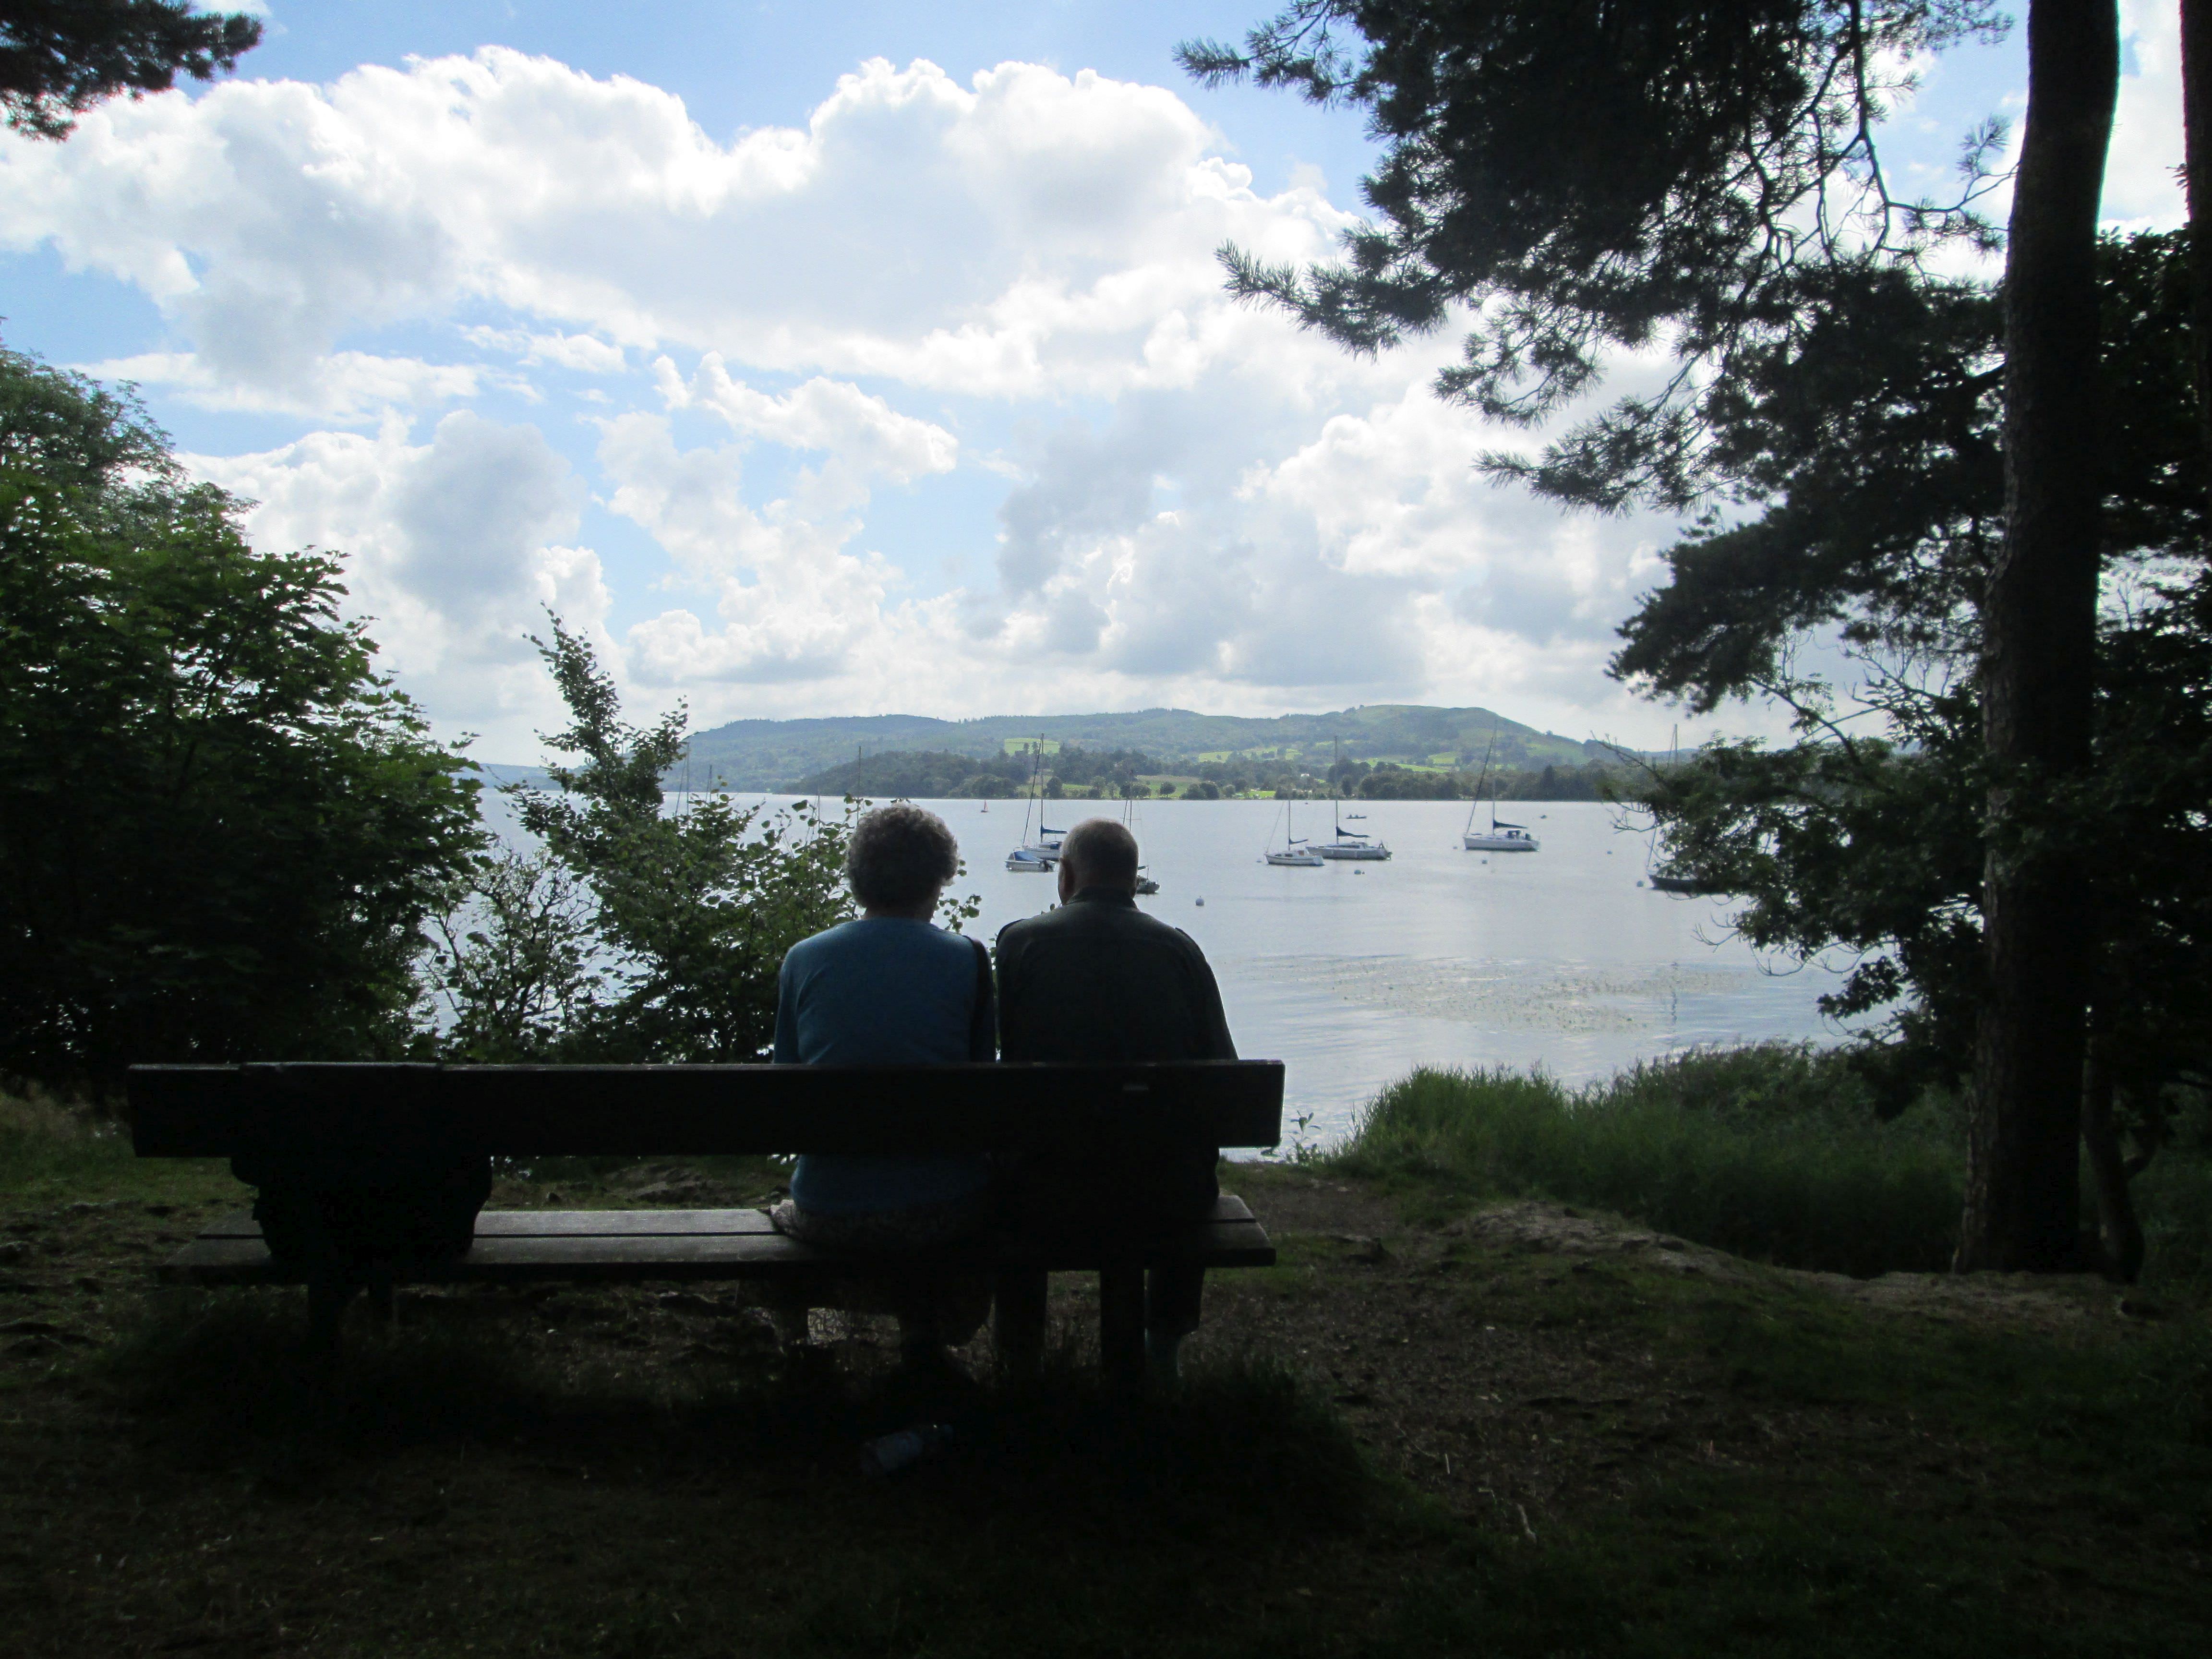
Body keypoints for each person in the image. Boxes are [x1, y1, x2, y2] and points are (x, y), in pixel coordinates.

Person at [993, 816, 1236, 1379]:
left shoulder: (1020, 944)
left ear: (1067, 875)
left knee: (1006, 1179)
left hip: (1045, 1191)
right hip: (1166, 1194)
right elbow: (1223, 1074)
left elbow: (996, 1062)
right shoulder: (1181, 951)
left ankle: (1020, 1355)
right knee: (1183, 1159)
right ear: (1131, 879)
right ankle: (1163, 1348)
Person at [770, 804, 994, 1360]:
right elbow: (983, 1084)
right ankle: (922, 1345)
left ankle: (797, 1351)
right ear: (939, 878)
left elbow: (784, 1085)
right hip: (946, 1210)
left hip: (829, 1209)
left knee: (775, 1210)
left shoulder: (804, 959)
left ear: (858, 877)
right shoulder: (967, 959)